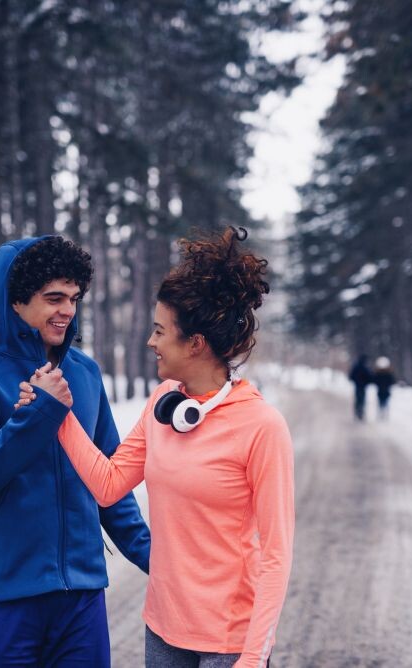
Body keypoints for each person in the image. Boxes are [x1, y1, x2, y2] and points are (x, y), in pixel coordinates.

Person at [19, 226, 294, 668]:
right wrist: (58, 413)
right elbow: (109, 485)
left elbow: (277, 555)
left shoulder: (261, 426)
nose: (151, 342)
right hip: (164, 629)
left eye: (160, 331)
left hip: (228, 640)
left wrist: (252, 656)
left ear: (195, 344)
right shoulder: (165, 402)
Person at [0, 236, 151, 668]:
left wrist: (161, 563)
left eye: (74, 298)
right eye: (54, 298)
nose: (68, 310)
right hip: (5, 595)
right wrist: (39, 415)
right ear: (15, 301)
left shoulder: (85, 373)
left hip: (82, 598)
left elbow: (109, 484)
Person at [347, 354, 374, 420]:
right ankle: (360, 412)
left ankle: (358, 412)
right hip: (362, 386)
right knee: (362, 400)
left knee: (358, 399)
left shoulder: (356, 367)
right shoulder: (365, 367)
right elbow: (369, 377)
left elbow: (351, 376)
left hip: (358, 386)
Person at [372, 356, 396, 420]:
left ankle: (382, 415)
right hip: (385, 391)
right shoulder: (388, 374)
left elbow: (374, 381)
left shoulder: (379, 374)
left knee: (382, 403)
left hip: (381, 391)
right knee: (385, 403)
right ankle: (384, 415)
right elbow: (392, 381)